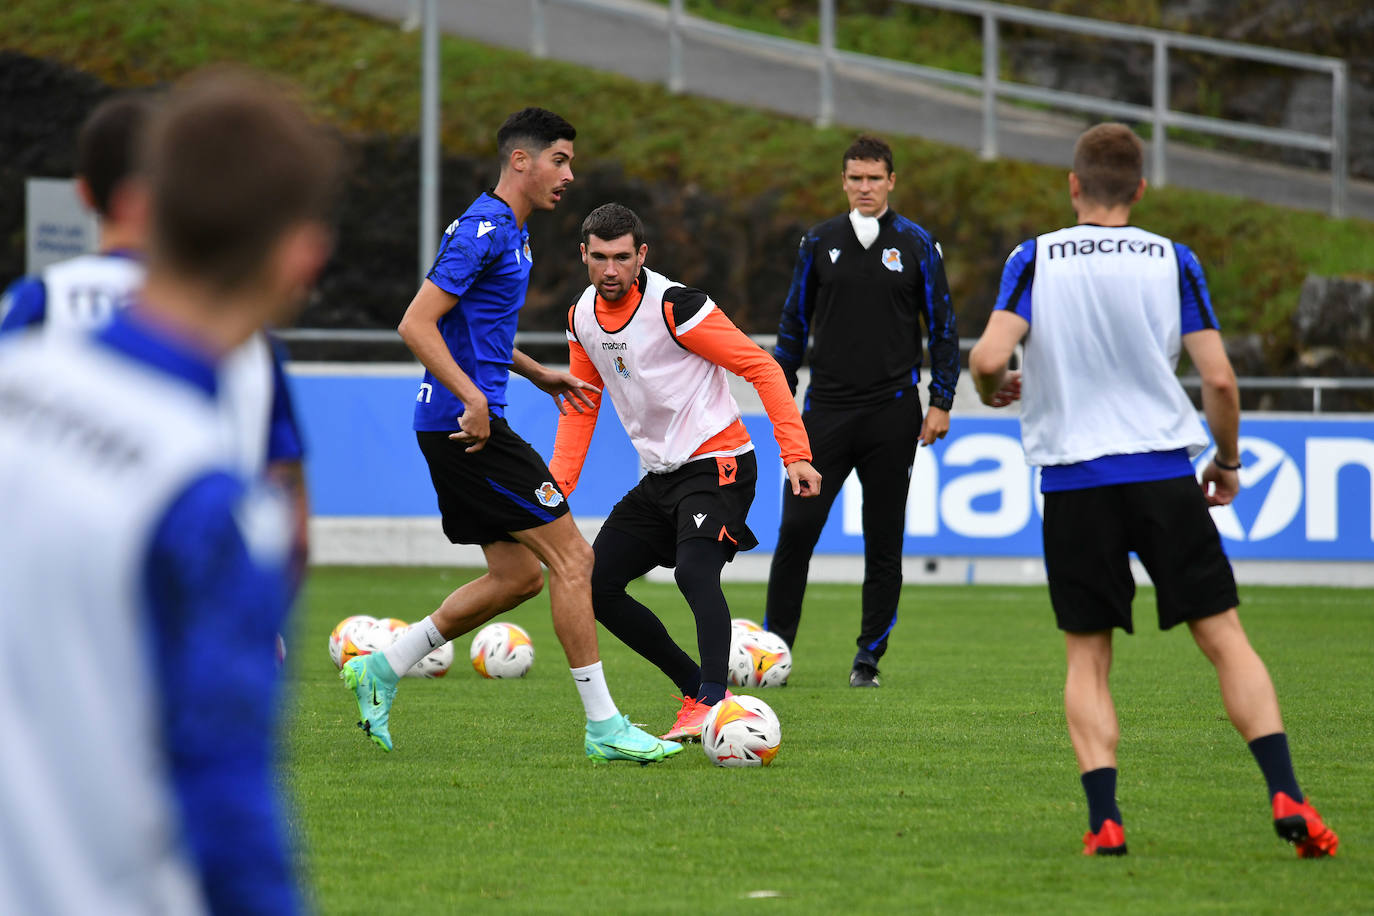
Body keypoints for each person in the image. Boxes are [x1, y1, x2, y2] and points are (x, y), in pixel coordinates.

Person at [0, 67, 338, 914]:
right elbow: (226, 805)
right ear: (301, 255)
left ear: (144, 208)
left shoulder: (17, 367)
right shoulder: (202, 505)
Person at [968, 122, 1339, 858]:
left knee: (1088, 657)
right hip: (1164, 474)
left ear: (1074, 186)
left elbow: (986, 356)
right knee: (1225, 639)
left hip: (1075, 481)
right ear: (1139, 189)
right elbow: (1221, 380)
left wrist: (993, 387)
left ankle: (1105, 818)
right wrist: (1226, 461)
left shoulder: (1034, 256)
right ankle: (1287, 791)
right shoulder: (1171, 258)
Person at [345, 108, 681, 764]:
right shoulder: (485, 230)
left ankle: (384, 665)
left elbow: (471, 326)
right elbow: (416, 324)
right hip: (465, 427)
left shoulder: (511, 232)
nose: (569, 174)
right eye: (559, 160)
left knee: (518, 576)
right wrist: (474, 397)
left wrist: (533, 373)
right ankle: (605, 727)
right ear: (520, 162)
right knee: (575, 561)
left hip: (459, 420)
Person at [0, 93, 311, 584]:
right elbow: (286, 503)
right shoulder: (244, 332)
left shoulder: (42, 302)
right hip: (204, 594)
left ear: (84, 194)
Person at [549, 203, 822, 740]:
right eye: (599, 258)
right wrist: (556, 488)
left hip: (719, 464)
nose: (610, 270)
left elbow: (762, 368)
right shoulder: (580, 317)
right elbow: (582, 404)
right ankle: (697, 688)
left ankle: (715, 705)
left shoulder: (676, 306)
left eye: (622, 258)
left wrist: (796, 454)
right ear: (583, 255)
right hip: (660, 477)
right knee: (595, 585)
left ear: (641, 255)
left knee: (694, 573)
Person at [765, 134, 959, 687]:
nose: (865, 187)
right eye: (856, 178)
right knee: (797, 533)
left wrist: (941, 400)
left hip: (892, 413)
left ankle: (867, 660)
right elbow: (792, 328)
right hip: (824, 411)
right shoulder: (818, 241)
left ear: (891, 181)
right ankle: (774, 653)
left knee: (883, 541)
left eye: (875, 178)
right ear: (843, 181)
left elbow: (944, 330)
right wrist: (784, 399)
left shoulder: (918, 244)